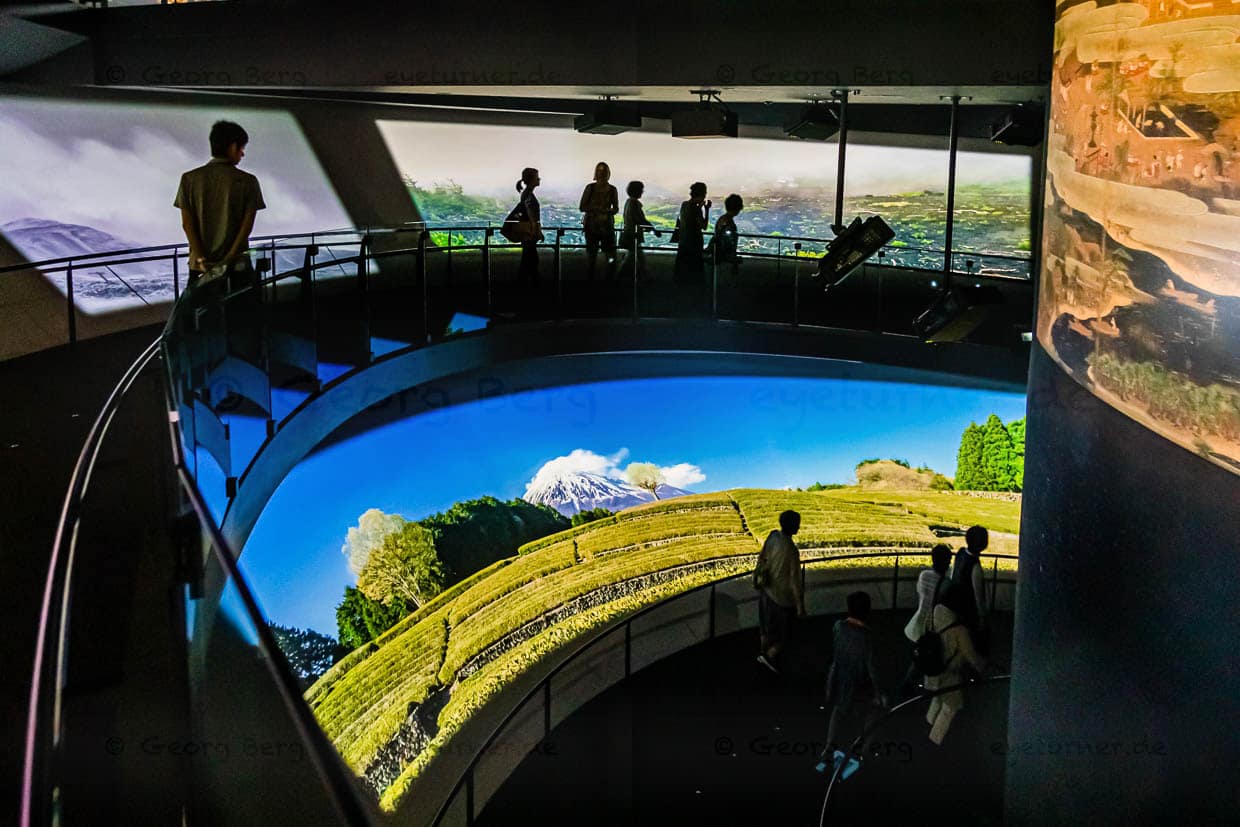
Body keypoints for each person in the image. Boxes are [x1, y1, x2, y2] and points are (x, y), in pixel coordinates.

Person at [174, 120, 265, 289]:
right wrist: (228, 260)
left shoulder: (189, 179)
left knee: (201, 305)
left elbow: (187, 225)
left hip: (200, 268)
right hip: (237, 267)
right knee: (241, 305)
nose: (242, 154)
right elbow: (246, 228)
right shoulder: (248, 181)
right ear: (233, 147)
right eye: (241, 148)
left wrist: (201, 258)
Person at [821, 590, 886, 774]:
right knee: (869, 714)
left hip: (840, 677)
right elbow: (871, 667)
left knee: (838, 709)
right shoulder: (867, 637)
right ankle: (861, 751)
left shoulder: (838, 626)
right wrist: (879, 692)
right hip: (859, 683)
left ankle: (829, 747)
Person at [924, 584, 987, 745]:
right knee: (950, 707)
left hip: (931, 667)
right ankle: (934, 740)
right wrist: (982, 667)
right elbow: (970, 655)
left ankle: (928, 723)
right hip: (949, 675)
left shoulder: (934, 611)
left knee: (937, 698)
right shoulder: (960, 630)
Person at [755, 509, 804, 674]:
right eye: (797, 524)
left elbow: (762, 557)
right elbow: (794, 580)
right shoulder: (792, 550)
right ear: (793, 526)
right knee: (784, 635)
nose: (799, 526)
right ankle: (768, 657)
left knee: (765, 628)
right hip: (782, 599)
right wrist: (800, 605)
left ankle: (762, 654)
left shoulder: (773, 536)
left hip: (766, 591)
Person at [901, 543, 953, 695]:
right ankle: (922, 690)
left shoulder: (924, 576)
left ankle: (907, 687)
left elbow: (921, 594)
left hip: (917, 624)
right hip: (933, 628)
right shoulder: (947, 584)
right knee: (927, 658)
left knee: (918, 658)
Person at [951, 525, 989, 654]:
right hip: (969, 612)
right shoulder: (975, 566)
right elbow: (979, 597)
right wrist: (982, 618)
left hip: (956, 606)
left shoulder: (961, 553)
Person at [579, 162, 619, 279]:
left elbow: (616, 208)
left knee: (609, 256)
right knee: (592, 257)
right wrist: (600, 209)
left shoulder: (612, 190)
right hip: (592, 227)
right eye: (600, 171)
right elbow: (582, 207)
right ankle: (592, 281)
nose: (602, 174)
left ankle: (608, 280)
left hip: (606, 227)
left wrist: (605, 211)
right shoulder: (590, 188)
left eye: (604, 171)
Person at [618, 180, 660, 280]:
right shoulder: (634, 204)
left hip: (630, 234)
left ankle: (645, 277)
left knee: (637, 258)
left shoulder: (628, 202)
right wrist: (653, 230)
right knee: (632, 259)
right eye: (641, 190)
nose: (642, 192)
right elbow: (641, 220)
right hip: (634, 236)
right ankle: (618, 278)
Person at [673, 182, 710, 285]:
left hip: (683, 244)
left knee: (682, 273)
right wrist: (706, 210)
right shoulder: (696, 209)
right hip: (694, 245)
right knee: (695, 273)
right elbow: (704, 226)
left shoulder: (684, 205)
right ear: (701, 194)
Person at [515, 167, 543, 284]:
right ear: (531, 180)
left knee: (528, 260)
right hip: (530, 232)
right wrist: (537, 231)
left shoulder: (526, 194)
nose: (539, 179)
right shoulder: (528, 195)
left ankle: (525, 284)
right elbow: (531, 215)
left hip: (527, 232)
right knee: (531, 260)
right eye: (537, 177)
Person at [704, 193, 743, 276]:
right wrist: (732, 258)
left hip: (717, 255)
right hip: (722, 258)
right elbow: (728, 242)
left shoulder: (722, 219)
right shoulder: (729, 223)